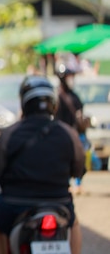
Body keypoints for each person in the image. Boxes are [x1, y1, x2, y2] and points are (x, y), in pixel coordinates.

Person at [0, 75, 85, 254]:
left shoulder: (9, 134)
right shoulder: (69, 133)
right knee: (73, 223)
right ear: (53, 104)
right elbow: (79, 168)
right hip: (60, 204)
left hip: (14, 205)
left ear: (24, 104)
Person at [54, 64, 88, 194]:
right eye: (69, 77)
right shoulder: (57, 96)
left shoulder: (74, 95)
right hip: (64, 135)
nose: (71, 79)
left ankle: (78, 184)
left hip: (76, 134)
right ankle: (66, 183)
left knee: (80, 159)